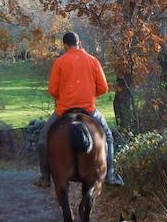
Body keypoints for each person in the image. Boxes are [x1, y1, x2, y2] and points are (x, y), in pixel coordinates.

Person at [33, 32, 124, 188]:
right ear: (79, 42)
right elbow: (103, 88)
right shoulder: (93, 60)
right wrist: (88, 92)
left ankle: (45, 177)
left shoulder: (60, 62)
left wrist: (65, 95)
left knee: (43, 139)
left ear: (65, 45)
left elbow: (53, 90)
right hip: (89, 109)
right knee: (108, 137)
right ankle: (110, 175)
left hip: (64, 110)